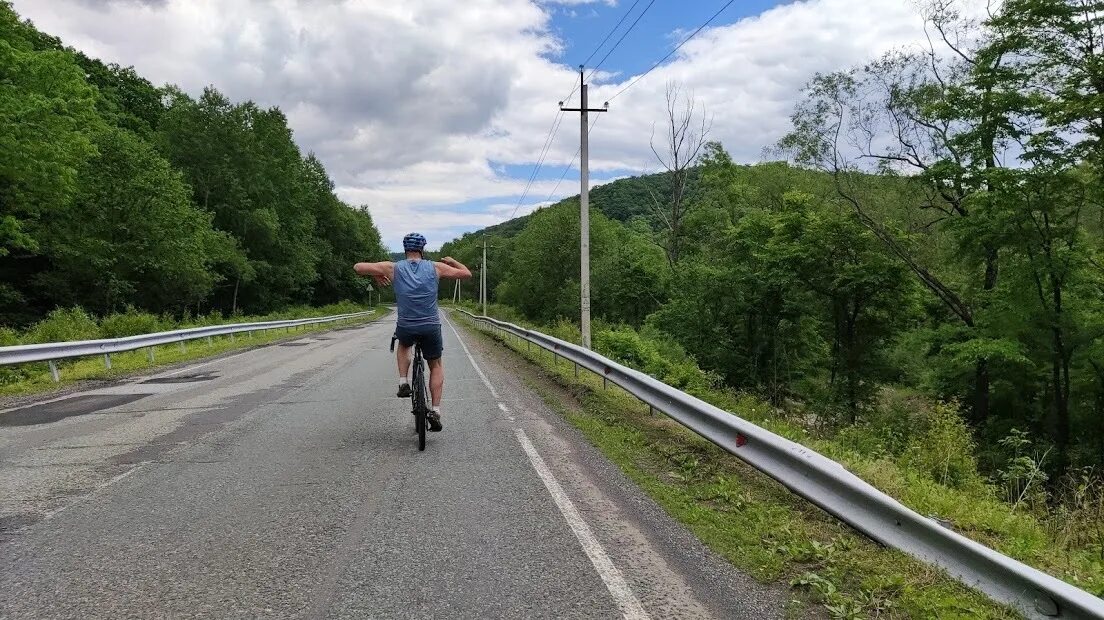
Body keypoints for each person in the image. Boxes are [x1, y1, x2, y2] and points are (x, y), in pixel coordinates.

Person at [353, 233, 472, 431]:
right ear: (422, 249)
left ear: (405, 249)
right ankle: (435, 410)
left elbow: (357, 267)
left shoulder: (393, 268)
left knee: (404, 345)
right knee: (435, 365)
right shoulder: (436, 267)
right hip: (430, 325)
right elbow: (466, 274)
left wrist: (375, 273)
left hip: (407, 325)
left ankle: (403, 382)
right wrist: (452, 261)